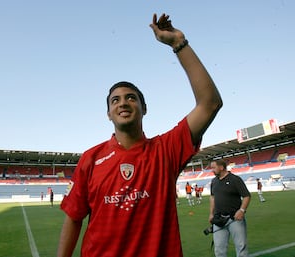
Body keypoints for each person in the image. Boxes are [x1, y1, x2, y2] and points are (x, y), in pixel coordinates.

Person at [57, 12, 223, 257]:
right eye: (115, 100)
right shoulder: (90, 159)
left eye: (131, 98)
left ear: (144, 108)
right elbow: (73, 218)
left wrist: (179, 43)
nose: (123, 103)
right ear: (109, 114)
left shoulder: (165, 150)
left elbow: (209, 103)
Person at [209, 159, 251, 257]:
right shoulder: (214, 181)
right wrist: (211, 213)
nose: (212, 170)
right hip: (218, 219)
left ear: (221, 167)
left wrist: (242, 210)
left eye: (214, 167)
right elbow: (212, 197)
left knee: (241, 247)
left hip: (235, 219)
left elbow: (246, 196)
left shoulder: (235, 179)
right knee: (219, 248)